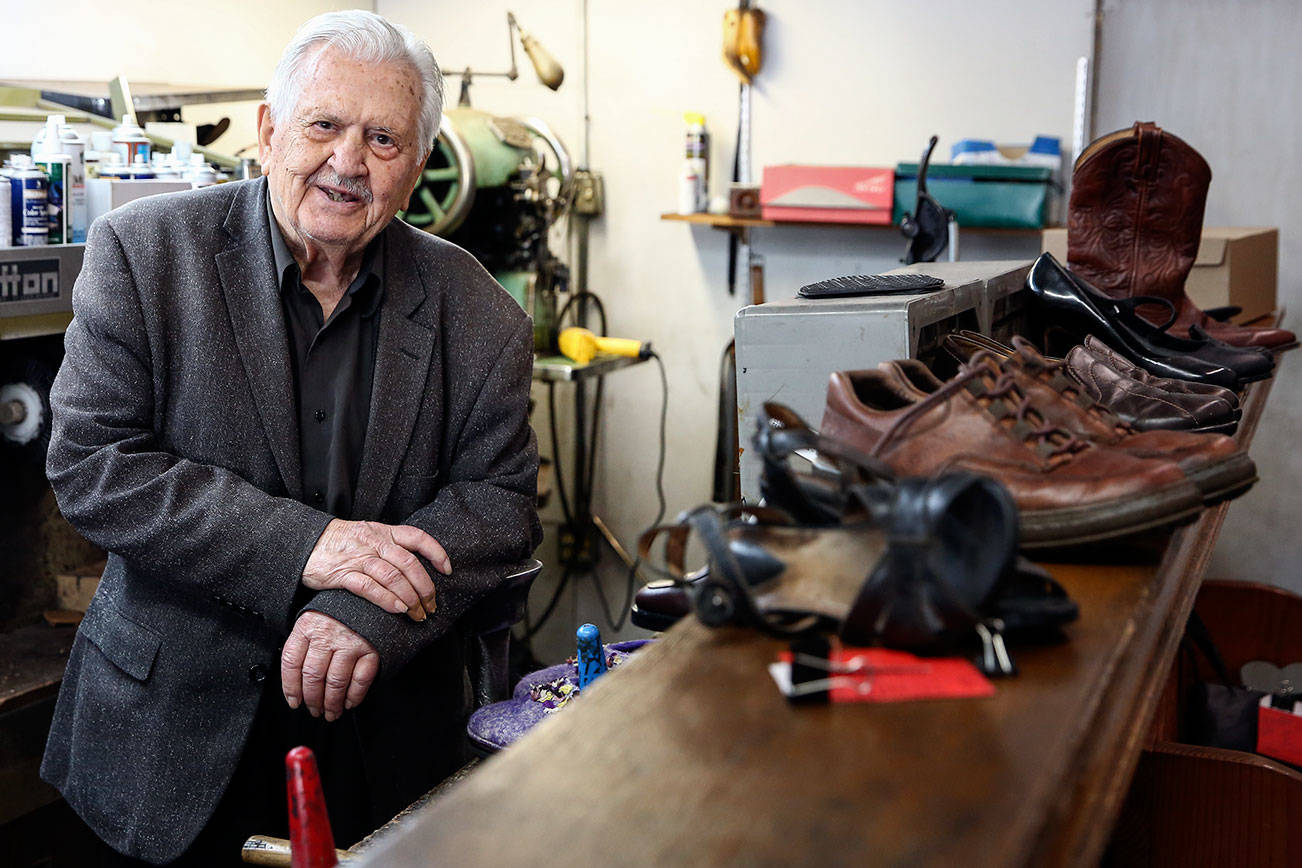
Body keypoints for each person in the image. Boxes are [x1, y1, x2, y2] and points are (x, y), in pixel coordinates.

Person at [40, 10, 541, 865]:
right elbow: (94, 463)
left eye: (384, 139)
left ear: (418, 165)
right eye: (323, 125)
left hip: (383, 737)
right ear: (270, 132)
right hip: (166, 738)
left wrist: (364, 614)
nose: (347, 163)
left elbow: (497, 505)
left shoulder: (480, 309)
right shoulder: (145, 253)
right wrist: (311, 546)